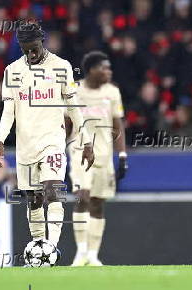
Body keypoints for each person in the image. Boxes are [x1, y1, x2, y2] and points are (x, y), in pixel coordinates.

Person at [0, 21, 95, 263]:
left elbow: (73, 107)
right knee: (33, 198)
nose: (31, 52)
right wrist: (0, 141)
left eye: (34, 47)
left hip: (52, 140)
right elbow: (9, 111)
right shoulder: (12, 71)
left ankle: (51, 247)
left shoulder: (61, 67)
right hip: (25, 145)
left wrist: (86, 140)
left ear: (42, 42)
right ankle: (39, 244)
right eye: (26, 48)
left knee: (53, 190)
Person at [67, 51, 127, 266]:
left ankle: (93, 254)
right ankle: (80, 251)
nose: (109, 72)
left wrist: (122, 155)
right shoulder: (74, 90)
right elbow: (67, 122)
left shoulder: (112, 92)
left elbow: (117, 126)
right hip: (79, 151)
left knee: (98, 203)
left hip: (104, 154)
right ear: (91, 70)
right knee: (82, 196)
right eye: (105, 68)